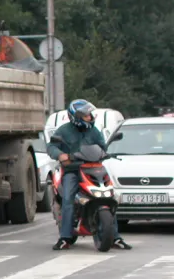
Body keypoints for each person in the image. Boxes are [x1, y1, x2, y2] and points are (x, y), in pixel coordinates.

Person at [46, 99, 132, 251]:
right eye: (86, 115)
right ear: (76, 117)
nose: (90, 117)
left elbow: (102, 146)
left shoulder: (94, 130)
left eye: (90, 115)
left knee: (109, 197)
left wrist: (105, 153)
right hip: (72, 170)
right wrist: (60, 155)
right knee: (68, 200)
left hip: (94, 168)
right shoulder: (64, 130)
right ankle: (64, 238)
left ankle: (115, 237)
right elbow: (52, 146)